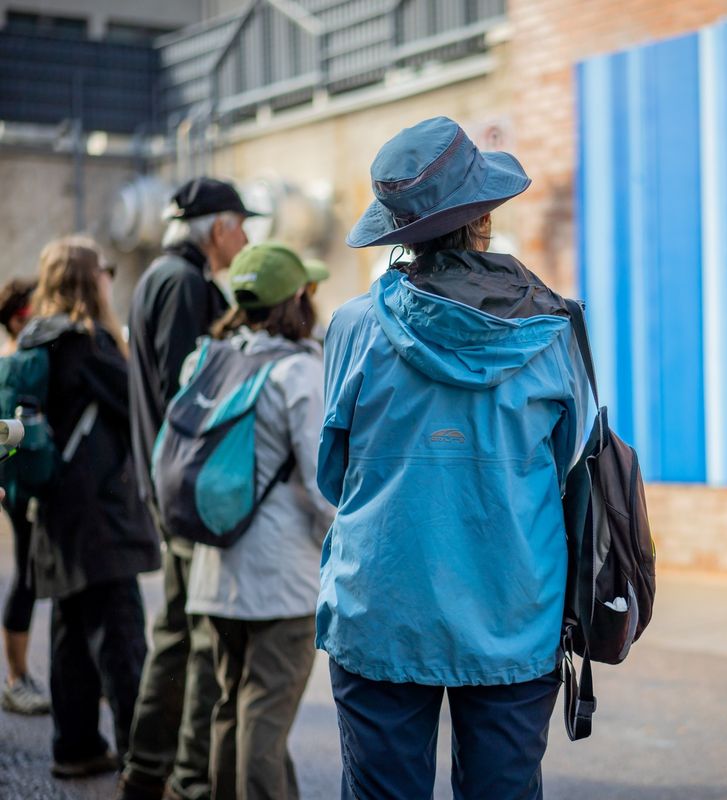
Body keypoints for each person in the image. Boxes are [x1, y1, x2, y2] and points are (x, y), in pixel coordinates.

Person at [317, 117, 591, 800]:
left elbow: (334, 475)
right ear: (483, 220)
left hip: (382, 608)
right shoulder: (554, 330)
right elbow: (573, 473)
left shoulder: (354, 326)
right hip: (512, 610)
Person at [170, 243, 333, 800]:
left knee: (230, 709)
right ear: (296, 299)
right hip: (280, 579)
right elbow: (323, 486)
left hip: (215, 572)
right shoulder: (299, 371)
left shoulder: (205, 360)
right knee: (263, 718)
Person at [121, 178, 259, 800]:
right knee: (194, 639)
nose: (247, 236)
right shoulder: (181, 282)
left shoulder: (161, 276)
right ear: (215, 227)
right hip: (186, 489)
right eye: (240, 223)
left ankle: (148, 769)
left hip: (168, 481)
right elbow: (192, 396)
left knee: (176, 634)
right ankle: (181, 777)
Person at [18, 237, 159, 777]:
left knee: (71, 635)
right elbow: (138, 403)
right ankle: (140, 760)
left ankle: (74, 748)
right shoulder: (89, 342)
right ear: (87, 278)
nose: (110, 279)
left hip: (55, 511)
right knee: (122, 639)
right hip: (100, 517)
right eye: (105, 270)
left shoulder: (36, 341)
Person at [0, 276, 51, 716]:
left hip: (26, 486)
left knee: (33, 575)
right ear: (20, 317)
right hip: (20, 490)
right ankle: (15, 679)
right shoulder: (16, 365)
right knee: (28, 576)